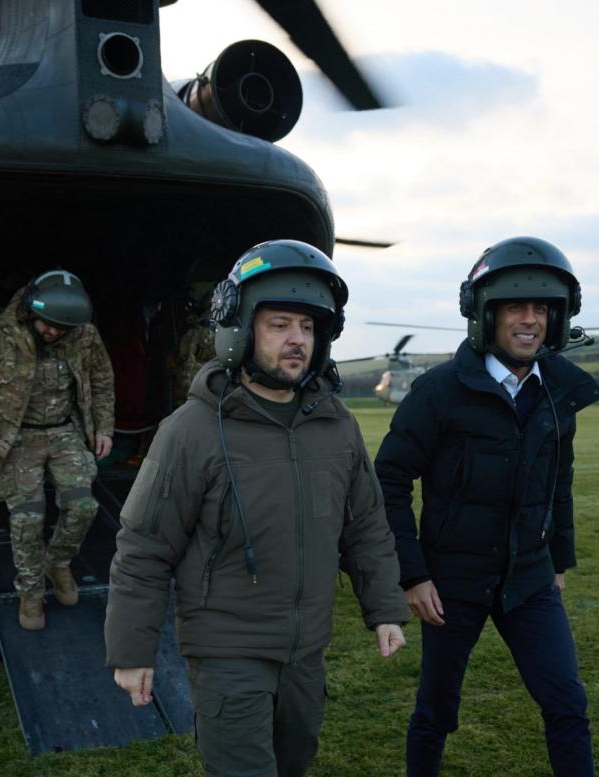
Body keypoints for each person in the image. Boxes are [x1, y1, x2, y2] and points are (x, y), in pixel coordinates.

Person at [104, 240, 409, 777]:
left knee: (294, 764)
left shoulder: (336, 426)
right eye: (280, 324)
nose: (297, 340)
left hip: (306, 652)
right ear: (240, 331)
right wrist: (132, 650)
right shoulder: (191, 431)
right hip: (227, 653)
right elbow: (144, 549)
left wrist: (383, 608)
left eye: (308, 328)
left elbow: (365, 527)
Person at [374, 237, 599, 776]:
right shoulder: (438, 392)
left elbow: (559, 481)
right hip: (451, 584)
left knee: (567, 704)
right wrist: (413, 574)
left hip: (528, 578)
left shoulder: (556, 392)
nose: (531, 320)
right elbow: (387, 480)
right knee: (436, 712)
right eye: (516, 308)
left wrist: (559, 560)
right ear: (486, 314)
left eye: (542, 308)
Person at [0, 269, 115, 630]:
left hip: (64, 431)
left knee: (82, 506)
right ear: (30, 310)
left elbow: (102, 380)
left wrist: (103, 427)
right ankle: (30, 591)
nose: (54, 332)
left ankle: (56, 563)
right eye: (49, 324)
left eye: (62, 328)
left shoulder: (83, 334)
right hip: (15, 437)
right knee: (27, 518)